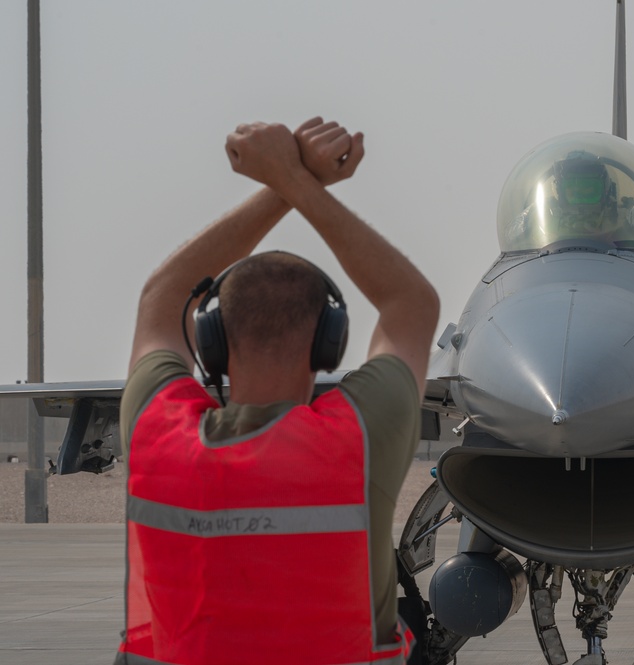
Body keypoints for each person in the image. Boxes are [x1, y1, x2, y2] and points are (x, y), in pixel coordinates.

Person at [115, 117, 440, 664]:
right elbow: (411, 304)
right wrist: (294, 181)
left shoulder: (158, 432)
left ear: (212, 342)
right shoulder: (356, 438)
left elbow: (161, 298)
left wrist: (280, 183)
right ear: (329, 344)